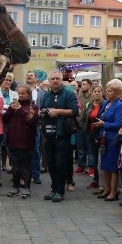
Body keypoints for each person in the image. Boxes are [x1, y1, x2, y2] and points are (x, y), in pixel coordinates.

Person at [40, 70, 79, 203]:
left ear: (61, 80)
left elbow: (75, 111)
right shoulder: (45, 95)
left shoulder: (68, 94)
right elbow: (42, 109)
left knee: (60, 164)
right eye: (53, 79)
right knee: (50, 163)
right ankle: (53, 188)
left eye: (57, 78)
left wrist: (57, 111)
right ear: (49, 81)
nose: (55, 81)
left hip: (62, 134)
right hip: (48, 134)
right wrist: (43, 112)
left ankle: (59, 191)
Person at [92, 79, 122, 201]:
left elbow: (118, 124)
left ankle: (113, 191)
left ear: (117, 93)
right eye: (107, 90)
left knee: (113, 167)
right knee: (105, 165)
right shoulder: (107, 103)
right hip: (104, 138)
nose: (107, 92)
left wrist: (104, 124)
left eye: (110, 91)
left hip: (113, 139)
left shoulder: (119, 105)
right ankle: (106, 189)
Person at [3, 84, 39, 198]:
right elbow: (5, 120)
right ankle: (15, 188)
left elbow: (31, 122)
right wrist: (10, 109)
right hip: (13, 141)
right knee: (15, 167)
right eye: (19, 93)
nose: (20, 95)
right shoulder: (13, 106)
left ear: (28, 94)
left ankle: (27, 188)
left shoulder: (33, 107)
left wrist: (20, 110)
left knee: (26, 167)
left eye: (23, 93)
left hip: (26, 142)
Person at [80, 84, 105, 190]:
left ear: (102, 93)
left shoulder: (105, 105)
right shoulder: (88, 105)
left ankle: (103, 182)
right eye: (95, 91)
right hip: (90, 135)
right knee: (93, 158)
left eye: (99, 91)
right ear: (92, 93)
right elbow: (84, 119)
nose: (97, 93)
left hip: (102, 135)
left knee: (101, 159)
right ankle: (95, 179)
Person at [25, 71, 44, 185]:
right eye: (27, 75)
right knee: (22, 150)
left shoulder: (41, 93)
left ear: (36, 79)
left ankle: (36, 174)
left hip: (36, 124)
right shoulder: (20, 90)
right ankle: (23, 174)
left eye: (31, 75)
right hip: (22, 124)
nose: (29, 76)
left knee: (36, 150)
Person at [0, 72, 18, 173]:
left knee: (11, 146)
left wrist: (4, 108)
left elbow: (16, 108)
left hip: (11, 123)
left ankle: (14, 168)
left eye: (10, 80)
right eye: (6, 79)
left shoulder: (15, 94)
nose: (8, 82)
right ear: (1, 80)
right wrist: (9, 107)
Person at [74, 79, 94, 175]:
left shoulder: (94, 97)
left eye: (84, 84)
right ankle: (81, 166)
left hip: (89, 126)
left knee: (90, 147)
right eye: (81, 84)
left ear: (89, 85)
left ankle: (91, 167)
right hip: (79, 125)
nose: (82, 86)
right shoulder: (79, 97)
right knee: (80, 147)